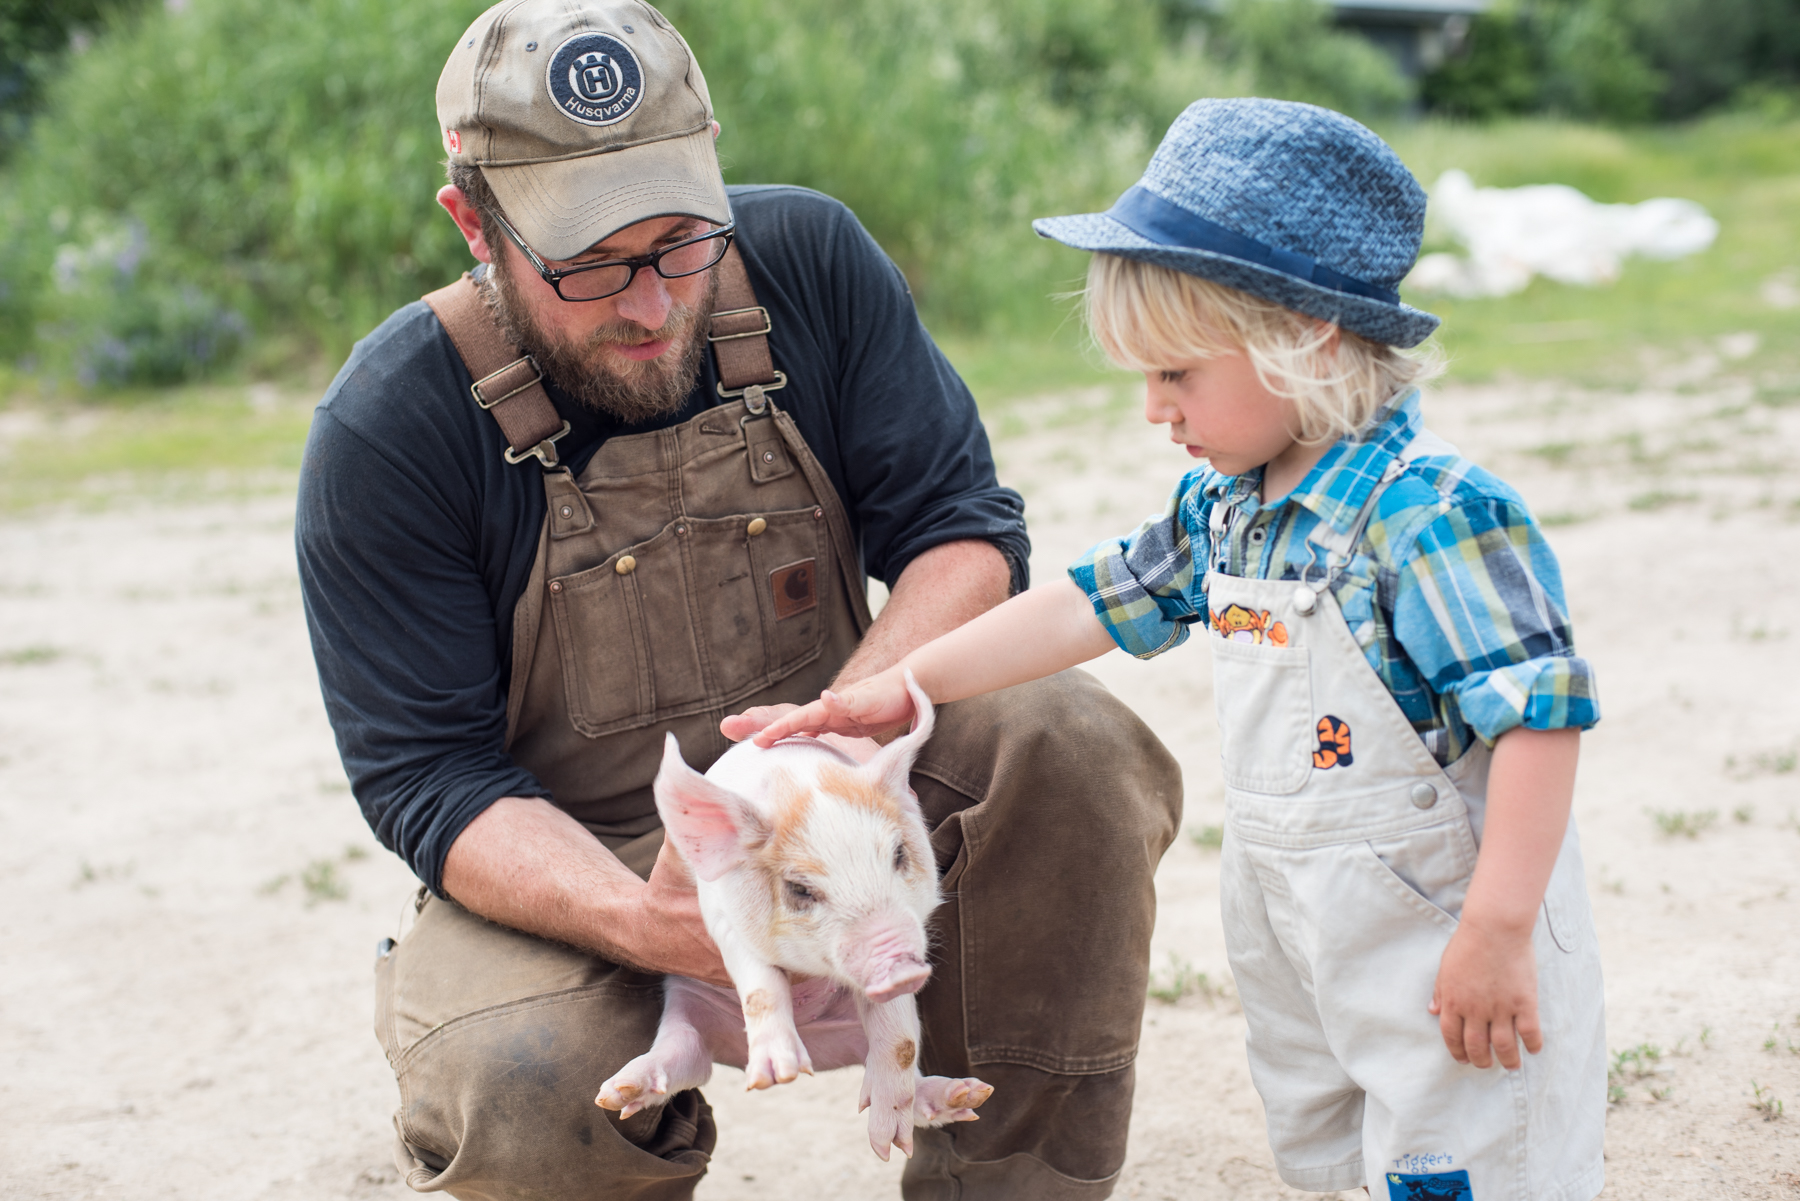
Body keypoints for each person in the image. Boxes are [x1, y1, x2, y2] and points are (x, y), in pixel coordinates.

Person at [294, 1, 1180, 1198]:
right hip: (595, 854)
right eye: (592, 263)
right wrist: (645, 917)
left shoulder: (812, 260)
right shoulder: (386, 429)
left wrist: (856, 722)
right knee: (523, 1070)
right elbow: (429, 779)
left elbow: (963, 532)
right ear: (473, 221)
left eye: (682, 240)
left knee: (1070, 741)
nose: (654, 303)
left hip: (845, 776)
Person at [755, 98, 1608, 1201]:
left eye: (1178, 375)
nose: (1155, 408)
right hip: (1300, 915)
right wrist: (895, 688)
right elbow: (1084, 606)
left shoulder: (1433, 512)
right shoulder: (1226, 504)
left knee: (1462, 1153)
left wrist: (1498, 926)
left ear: (1305, 338)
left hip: (1445, 914)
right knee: (1334, 1143)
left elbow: (1535, 716)